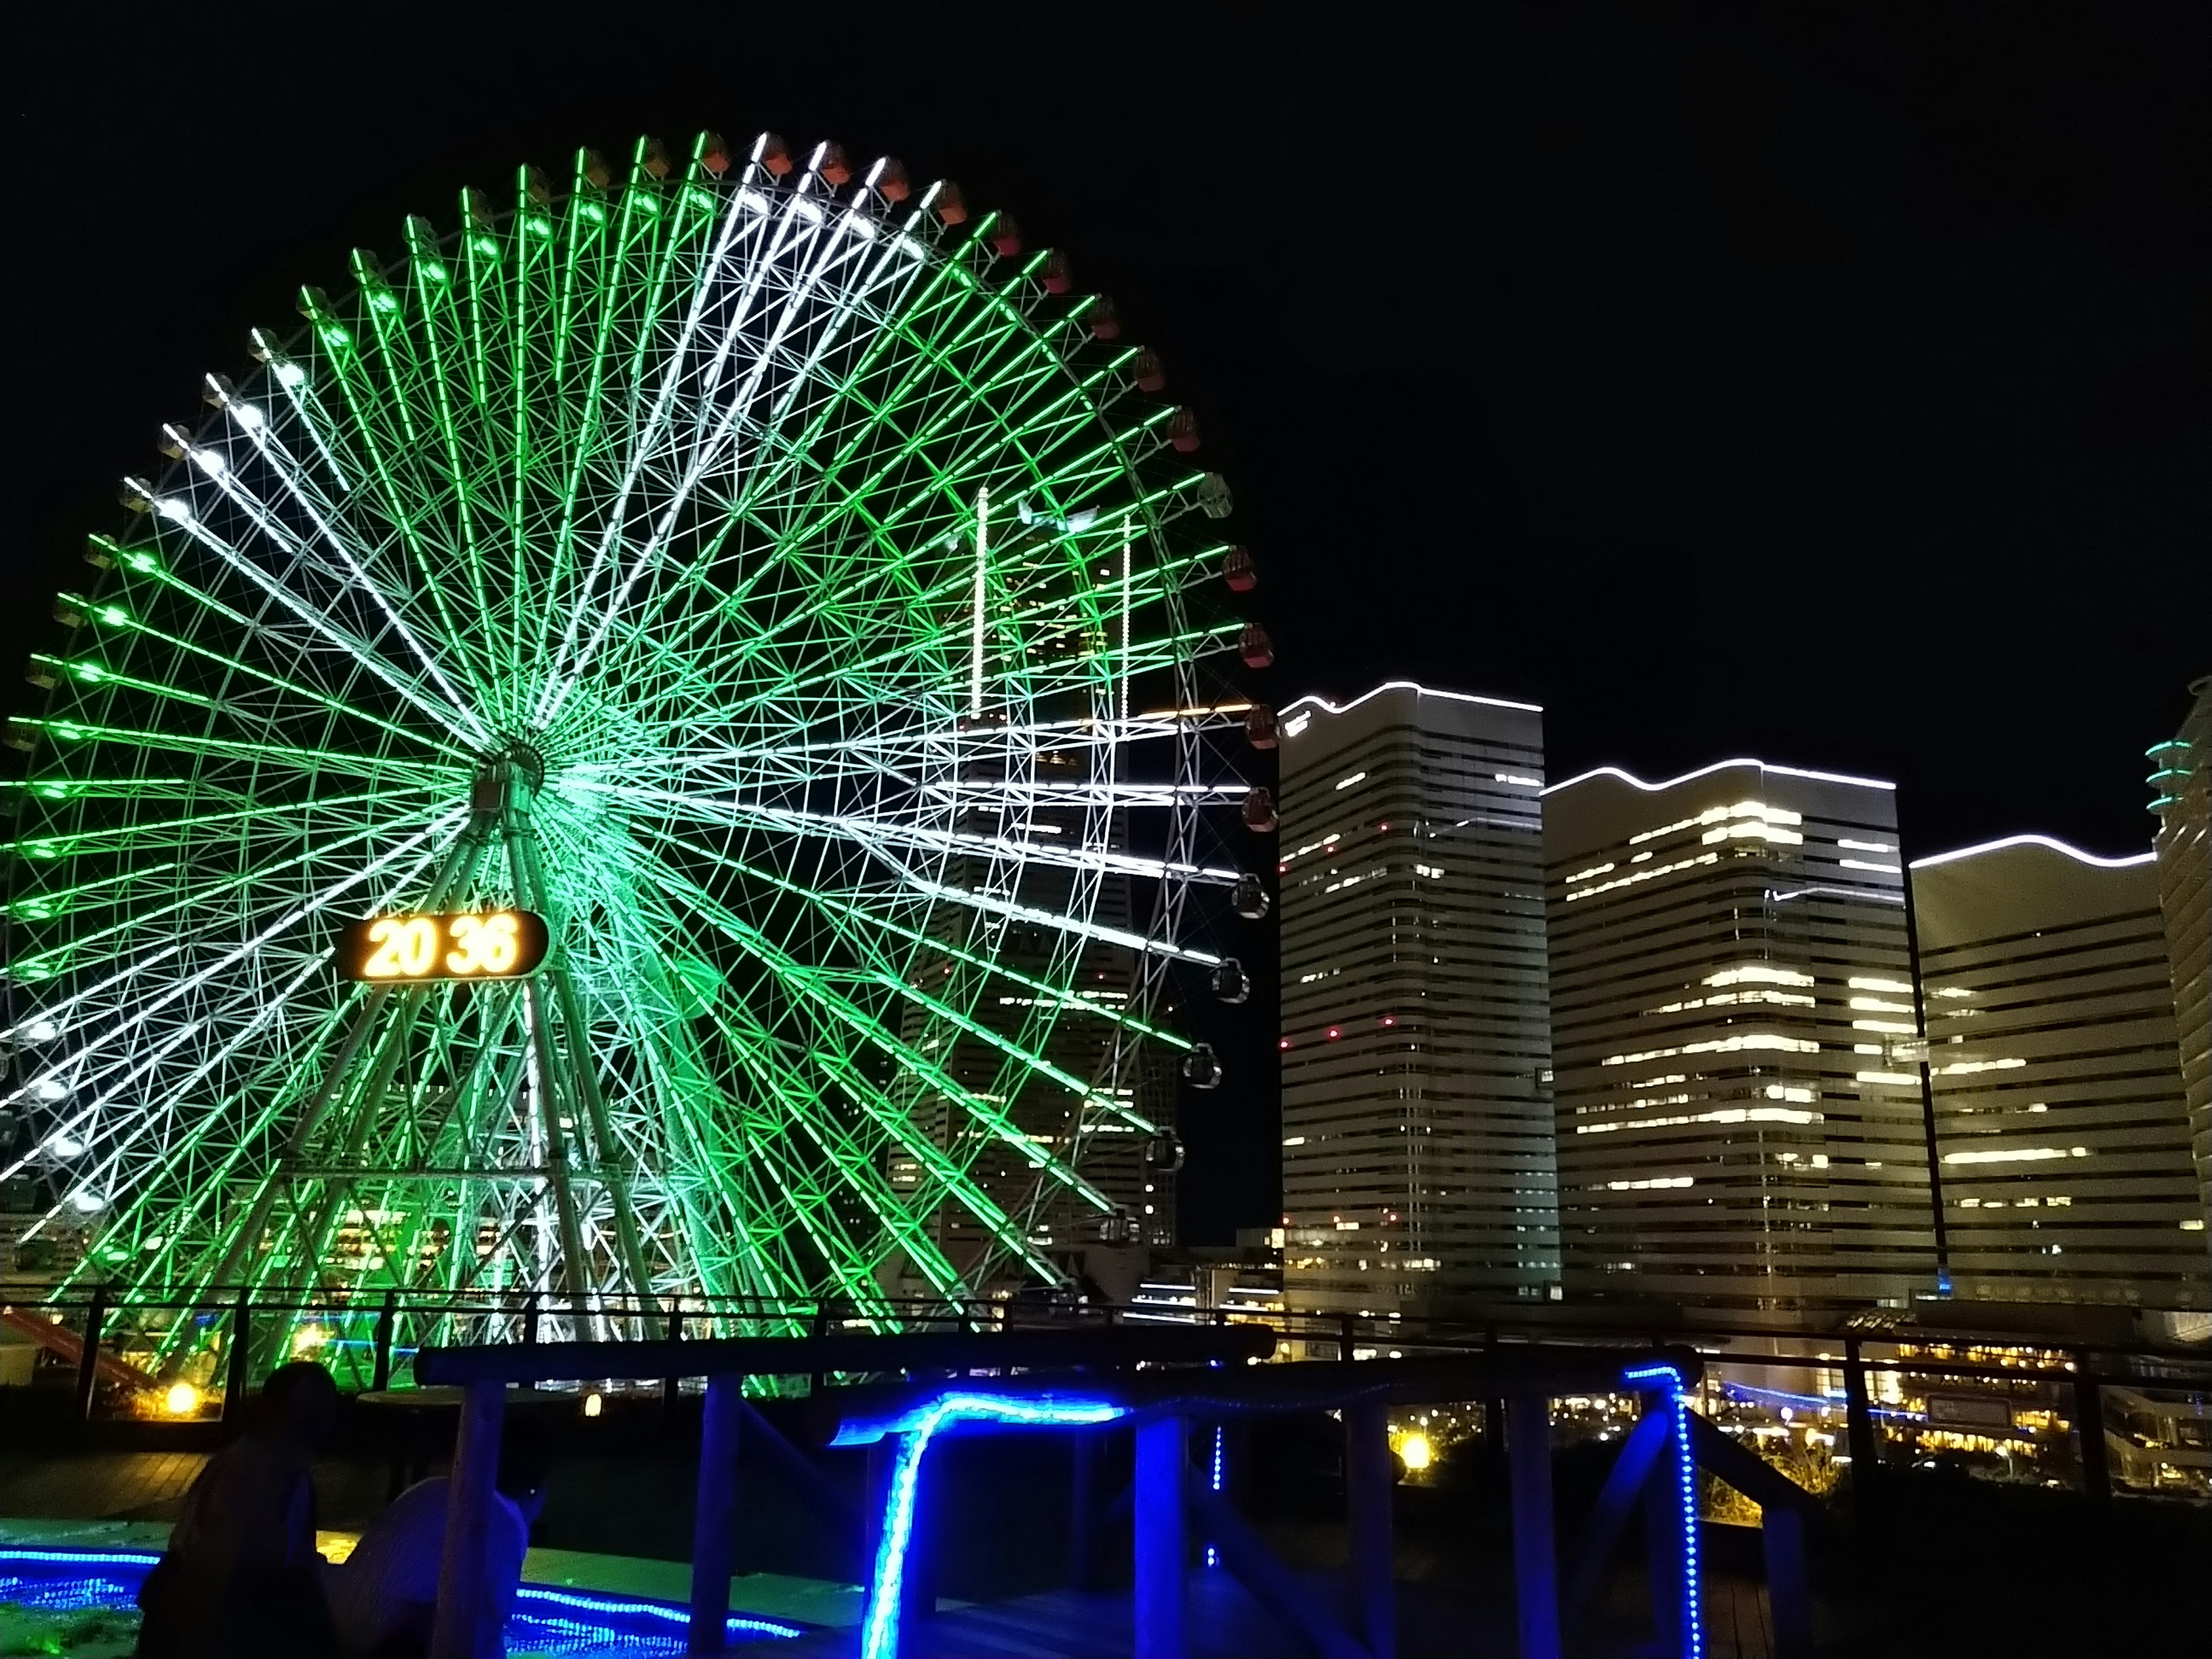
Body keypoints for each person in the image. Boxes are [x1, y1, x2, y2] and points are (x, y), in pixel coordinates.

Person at [135, 1359, 342, 1659]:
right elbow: (230, 1574)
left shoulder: (248, 1463)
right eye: (311, 1413)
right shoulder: (267, 1475)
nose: (322, 1422)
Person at [329, 1413, 552, 1659]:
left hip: (337, 1636)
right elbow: (485, 1638)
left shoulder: (430, 1489)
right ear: (536, 1490)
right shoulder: (501, 1521)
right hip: (379, 1647)